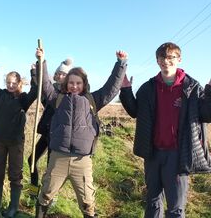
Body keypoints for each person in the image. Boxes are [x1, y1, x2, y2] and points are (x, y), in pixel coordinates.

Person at [119, 42, 211, 218]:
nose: (166, 61)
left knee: (176, 207)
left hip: (178, 155)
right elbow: (134, 111)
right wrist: (126, 90)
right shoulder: (148, 87)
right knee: (153, 201)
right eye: (162, 57)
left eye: (171, 57)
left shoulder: (192, 88)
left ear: (179, 59)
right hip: (153, 153)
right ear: (157, 60)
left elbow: (206, 115)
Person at [35, 48, 128, 218]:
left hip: (82, 160)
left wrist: (121, 64)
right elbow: (45, 84)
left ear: (84, 84)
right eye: (71, 82)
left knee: (88, 202)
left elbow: (112, 87)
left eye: (78, 83)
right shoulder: (58, 99)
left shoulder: (93, 100)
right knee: (45, 195)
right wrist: (41, 61)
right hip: (58, 158)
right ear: (66, 84)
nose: (74, 86)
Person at [0, 47, 37, 217]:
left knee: (15, 174)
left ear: (19, 83)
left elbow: (36, 89)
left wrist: (34, 71)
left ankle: (13, 206)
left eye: (13, 83)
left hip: (15, 142)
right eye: (8, 82)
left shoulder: (23, 99)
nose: (10, 85)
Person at [27, 58, 73, 188]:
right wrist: (34, 73)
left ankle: (48, 196)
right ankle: (33, 189)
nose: (60, 76)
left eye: (64, 74)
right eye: (59, 73)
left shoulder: (68, 95)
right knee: (31, 160)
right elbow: (40, 89)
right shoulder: (51, 90)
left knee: (51, 168)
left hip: (57, 137)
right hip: (46, 134)